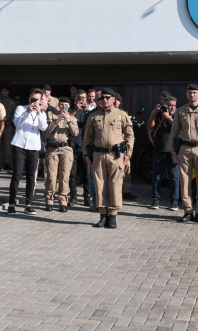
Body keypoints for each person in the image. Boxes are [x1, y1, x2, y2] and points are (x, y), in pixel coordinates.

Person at [83, 87, 134, 228]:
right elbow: (87, 138)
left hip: (116, 156)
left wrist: (128, 154)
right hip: (98, 155)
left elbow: (130, 136)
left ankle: (112, 216)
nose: (104, 100)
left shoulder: (121, 115)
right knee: (100, 185)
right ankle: (102, 215)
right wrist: (86, 154)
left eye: (107, 97)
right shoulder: (94, 116)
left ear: (113, 99)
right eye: (102, 98)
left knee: (115, 185)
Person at [170, 84, 198, 223]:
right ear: (186, 94)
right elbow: (174, 131)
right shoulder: (180, 111)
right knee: (184, 181)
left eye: (195, 93)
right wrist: (172, 149)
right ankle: (188, 211)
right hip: (184, 149)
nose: (192, 95)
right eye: (190, 93)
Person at [8, 88, 48, 215]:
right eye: (33, 99)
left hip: (34, 147)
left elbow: (43, 127)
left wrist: (39, 113)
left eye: (37, 99)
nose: (35, 102)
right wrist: (27, 111)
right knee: (17, 175)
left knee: (31, 177)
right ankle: (11, 204)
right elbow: (16, 124)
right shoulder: (21, 108)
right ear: (29, 98)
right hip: (19, 145)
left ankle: (28, 205)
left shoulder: (42, 113)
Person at [44, 97, 79, 212]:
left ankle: (62, 202)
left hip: (66, 149)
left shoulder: (73, 118)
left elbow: (75, 133)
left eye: (66, 105)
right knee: (51, 176)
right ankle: (49, 201)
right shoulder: (51, 116)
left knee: (64, 177)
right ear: (58, 106)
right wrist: (57, 120)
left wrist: (68, 120)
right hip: (53, 149)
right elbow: (48, 130)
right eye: (61, 105)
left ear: (69, 106)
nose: (63, 107)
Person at [148, 92, 180, 210]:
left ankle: (174, 202)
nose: (171, 108)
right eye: (169, 105)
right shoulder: (158, 113)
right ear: (165, 105)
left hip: (172, 152)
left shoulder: (178, 115)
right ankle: (155, 201)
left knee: (174, 178)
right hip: (159, 150)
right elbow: (149, 126)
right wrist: (155, 114)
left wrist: (167, 117)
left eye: (174, 105)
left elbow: (178, 128)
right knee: (157, 177)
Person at [69, 90, 93, 207]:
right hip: (73, 146)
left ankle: (87, 197)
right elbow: (67, 120)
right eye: (79, 98)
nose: (81, 100)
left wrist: (86, 111)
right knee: (72, 174)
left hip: (85, 147)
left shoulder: (90, 112)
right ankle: (73, 196)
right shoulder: (71, 110)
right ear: (75, 99)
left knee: (87, 174)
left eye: (83, 98)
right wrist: (76, 109)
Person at [0, 87, 17, 169]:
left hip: (8, 126)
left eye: (6, 90)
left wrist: (10, 121)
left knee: (7, 145)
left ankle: (6, 162)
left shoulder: (12, 102)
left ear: (8, 92)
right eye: (3, 90)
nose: (4, 92)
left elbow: (15, 113)